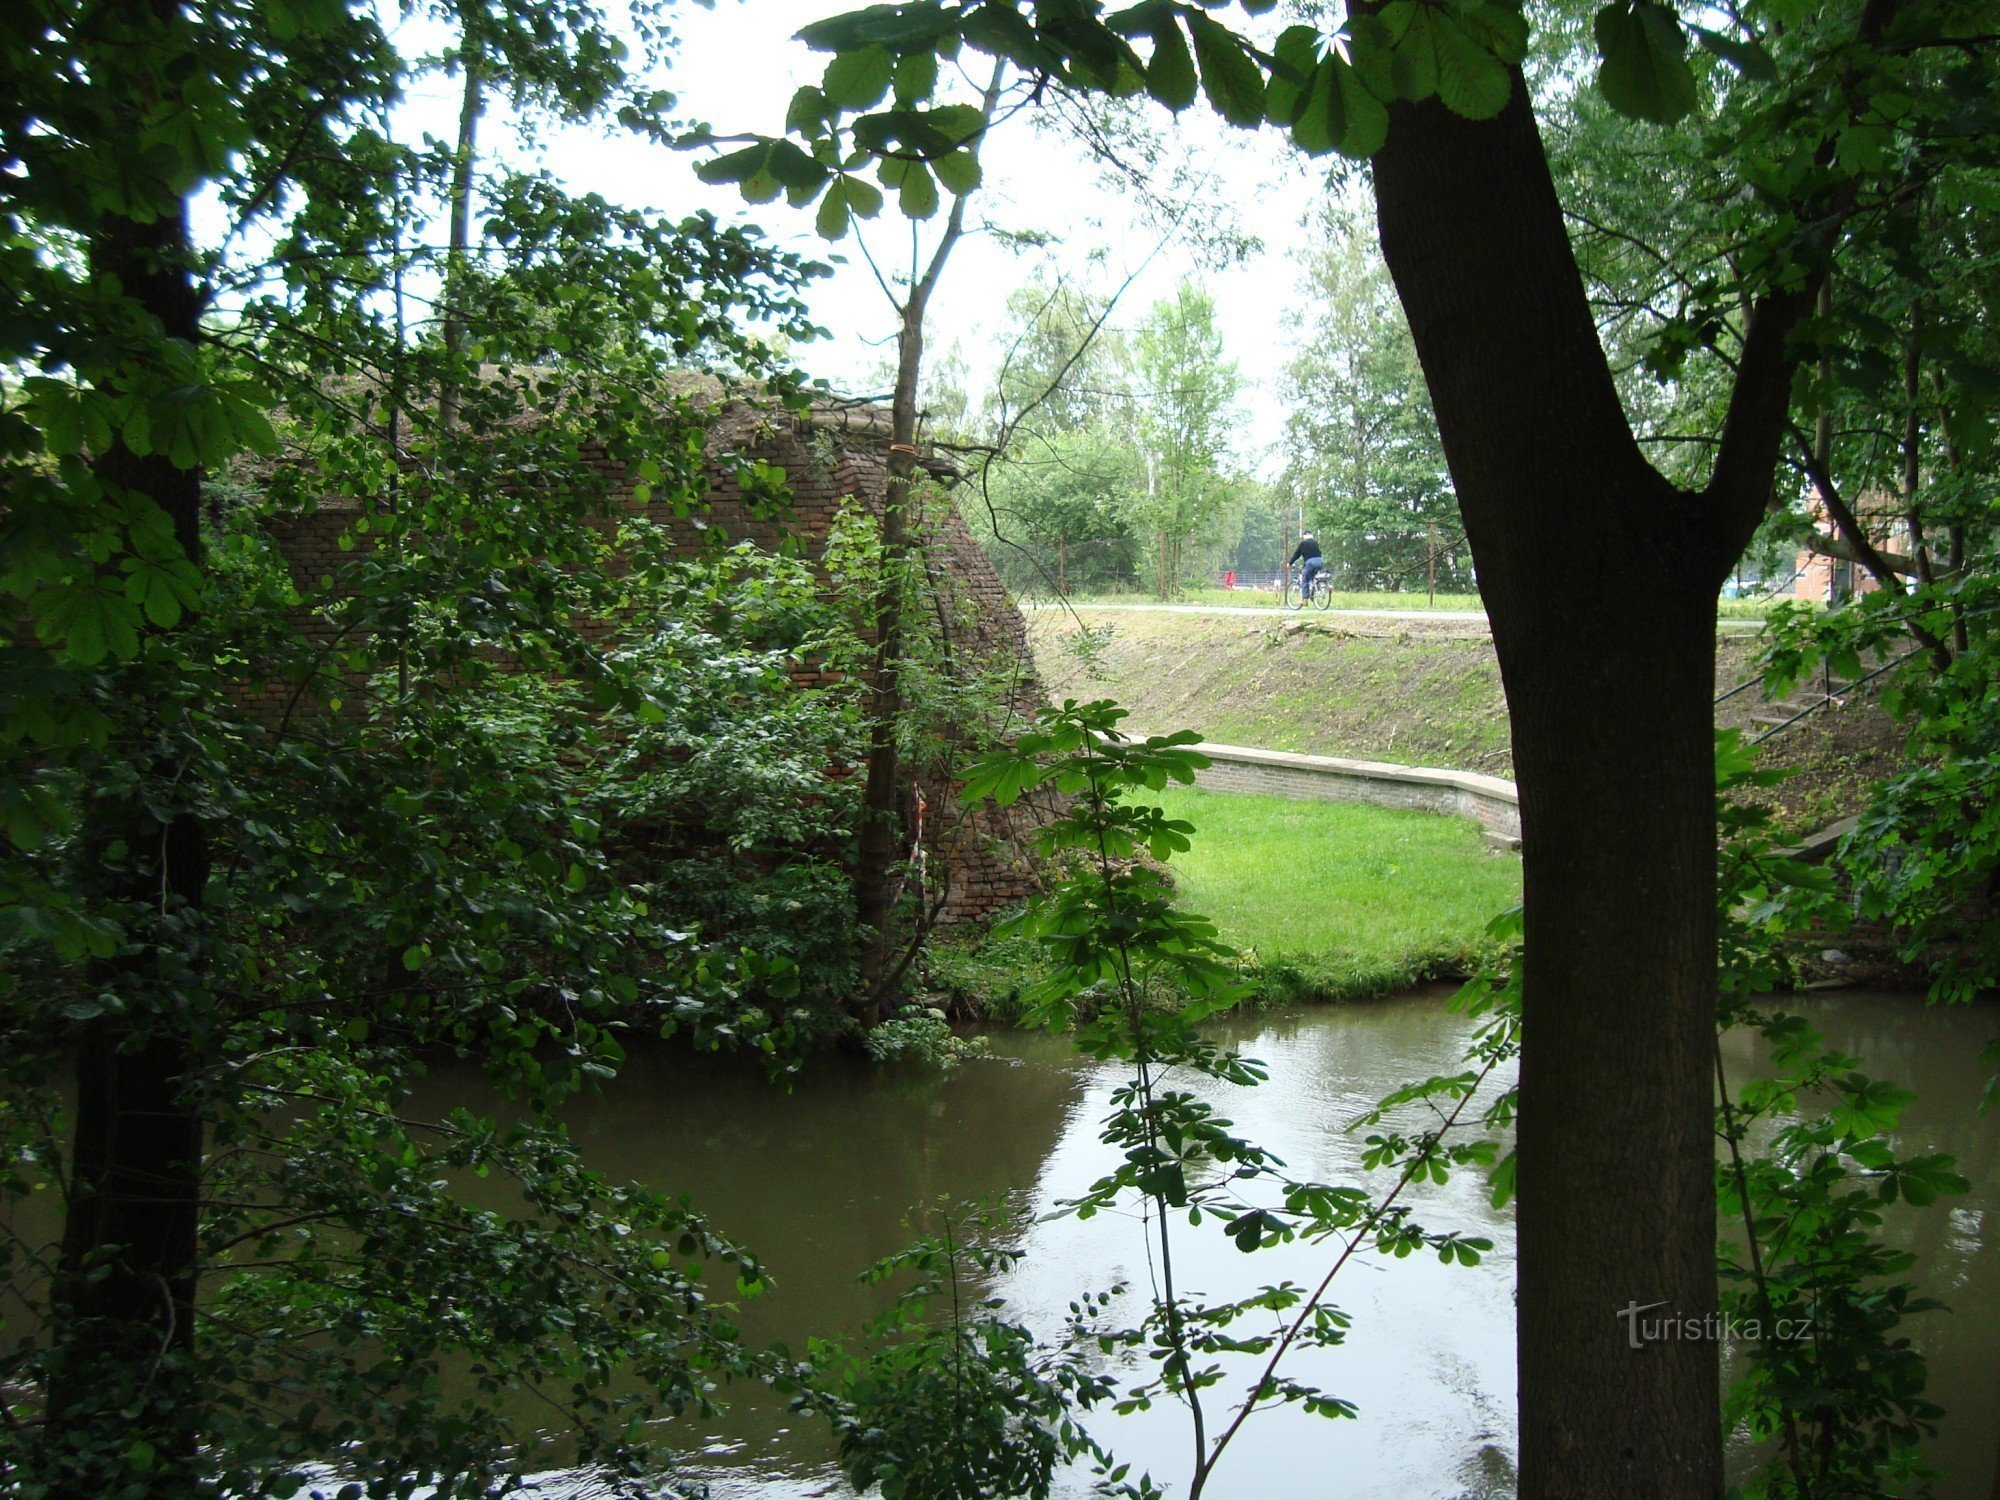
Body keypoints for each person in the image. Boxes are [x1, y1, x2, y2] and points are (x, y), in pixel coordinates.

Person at [1289, 531, 1324, 605]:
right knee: (1312, 577)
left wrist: (1290, 563)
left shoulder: (1303, 543)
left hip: (1310, 562)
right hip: (1320, 561)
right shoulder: (1315, 543)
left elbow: (1297, 554)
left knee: (1305, 579)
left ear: (1304, 536)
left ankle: (1305, 600)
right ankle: (1313, 592)